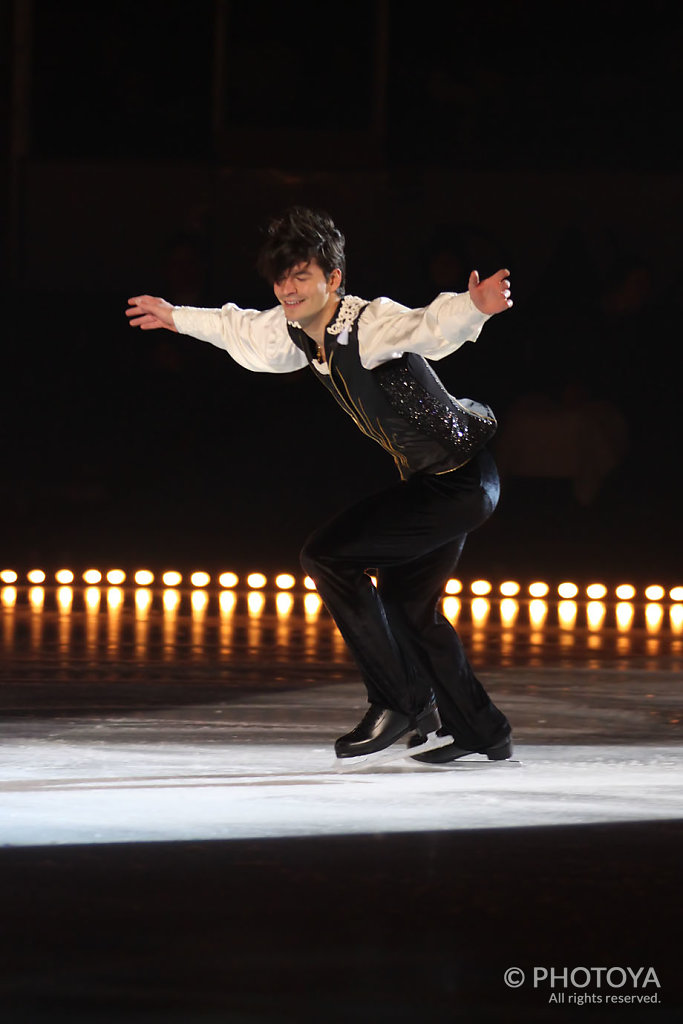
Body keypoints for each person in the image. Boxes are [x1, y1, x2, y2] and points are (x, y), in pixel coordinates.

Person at [126, 207, 513, 765]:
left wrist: (470, 309)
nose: (288, 288)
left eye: (301, 275)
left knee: (327, 556)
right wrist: (176, 316)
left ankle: (399, 701)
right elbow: (240, 328)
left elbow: (425, 326)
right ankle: (480, 728)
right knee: (409, 607)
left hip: (459, 481)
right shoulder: (299, 331)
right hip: (439, 484)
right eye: (281, 278)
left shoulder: (367, 323)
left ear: (333, 279)